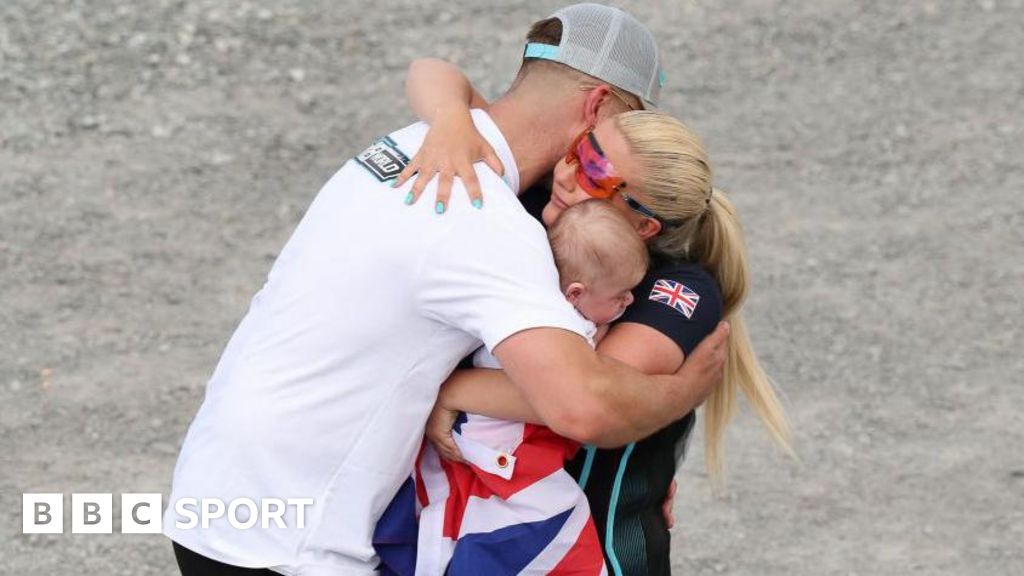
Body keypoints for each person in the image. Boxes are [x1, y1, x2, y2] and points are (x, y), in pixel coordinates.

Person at [162, 4, 729, 575]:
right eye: (608, 139)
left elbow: (435, 74)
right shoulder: (490, 222)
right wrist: (684, 392)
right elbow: (586, 408)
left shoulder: (415, 143)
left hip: (219, 495)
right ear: (596, 107)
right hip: (292, 544)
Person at [396, 62, 794, 574]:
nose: (565, 172)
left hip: (602, 545)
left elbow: (576, 396)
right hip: (482, 533)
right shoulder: (550, 207)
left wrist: (437, 391)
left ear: (645, 225)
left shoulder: (678, 292)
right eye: (580, 149)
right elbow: (432, 71)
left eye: (596, 175)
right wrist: (451, 121)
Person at [410, 200, 648, 576]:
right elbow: (578, 384)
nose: (630, 301)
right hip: (505, 453)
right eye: (620, 295)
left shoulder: (524, 304)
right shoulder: (561, 328)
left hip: (485, 447)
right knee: (554, 525)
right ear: (574, 295)